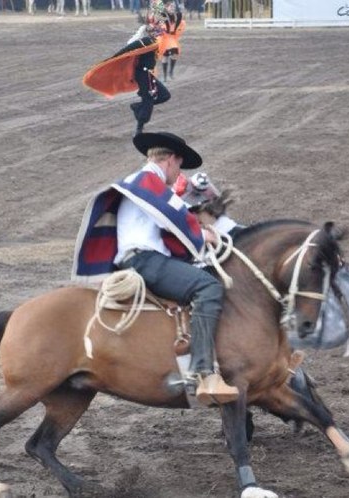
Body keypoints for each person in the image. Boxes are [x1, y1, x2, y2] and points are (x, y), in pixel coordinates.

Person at [72, 132, 239, 406]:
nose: (179, 173)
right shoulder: (149, 183)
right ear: (171, 160)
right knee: (208, 287)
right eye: (180, 166)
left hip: (143, 259)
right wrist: (204, 235)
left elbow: (176, 215)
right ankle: (203, 371)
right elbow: (180, 217)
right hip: (146, 261)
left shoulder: (144, 185)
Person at [128, 14, 172, 135]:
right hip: (142, 74)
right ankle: (139, 129)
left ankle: (137, 106)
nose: (158, 32)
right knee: (148, 99)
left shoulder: (151, 41)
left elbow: (164, 32)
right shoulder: (144, 42)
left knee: (164, 95)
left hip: (147, 74)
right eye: (154, 30)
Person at [158, 0, 185, 81]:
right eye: (171, 6)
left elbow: (179, 23)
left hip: (172, 38)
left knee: (175, 54)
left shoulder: (177, 15)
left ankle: (171, 72)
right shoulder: (162, 15)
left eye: (173, 6)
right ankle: (165, 75)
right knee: (165, 56)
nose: (173, 8)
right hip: (164, 38)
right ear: (166, 7)